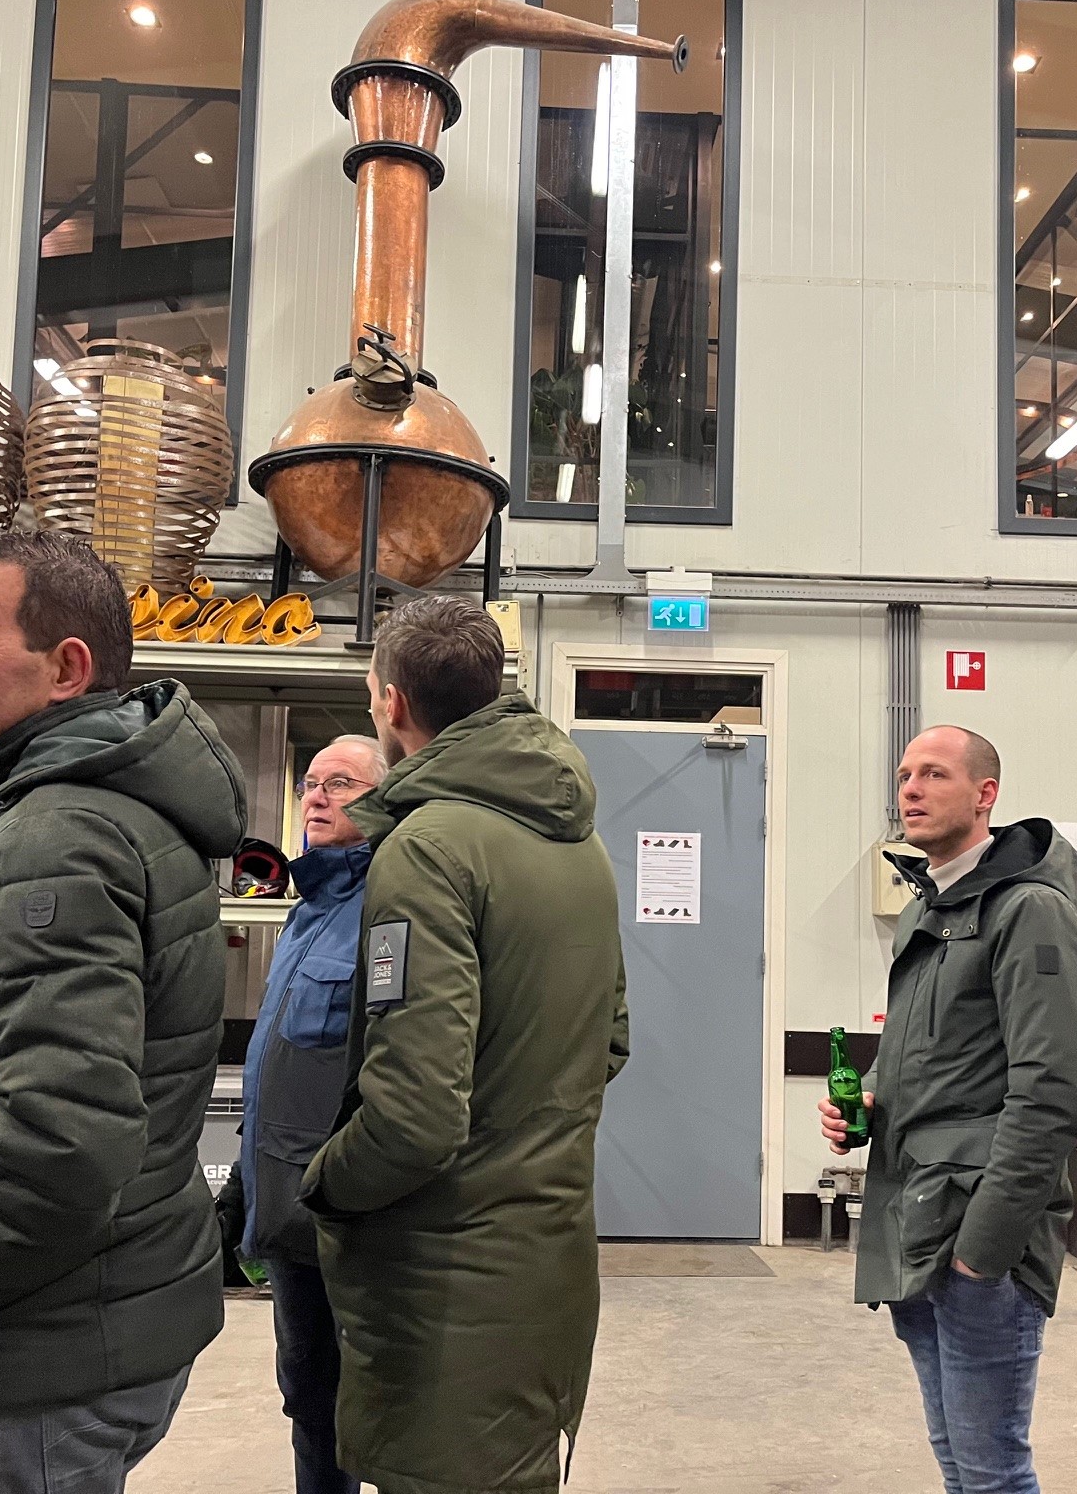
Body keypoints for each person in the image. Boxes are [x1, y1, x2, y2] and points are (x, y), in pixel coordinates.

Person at [0, 530, 247, 1494]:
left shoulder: (56, 839)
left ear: (67, 669)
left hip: (31, 1355)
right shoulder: (112, 813)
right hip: (95, 1316)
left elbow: (63, 1142)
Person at [300, 596, 628, 1494]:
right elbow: (608, 1042)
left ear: (392, 703)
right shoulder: (581, 844)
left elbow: (415, 1118)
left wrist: (323, 1184)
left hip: (446, 1287)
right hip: (549, 1258)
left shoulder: (427, 848)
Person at [821, 725, 1077, 1494]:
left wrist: (984, 1251)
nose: (911, 788)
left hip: (979, 1239)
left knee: (991, 1468)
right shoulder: (927, 911)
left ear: (985, 795)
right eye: (905, 775)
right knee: (957, 1457)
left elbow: (1051, 1096)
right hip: (914, 1218)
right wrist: (870, 1095)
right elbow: (926, 1051)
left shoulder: (1029, 911)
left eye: (935, 773)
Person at [241, 734, 388, 1494]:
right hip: (288, 1215)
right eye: (310, 783)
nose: (317, 797)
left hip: (347, 1221)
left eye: (341, 783)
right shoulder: (311, 909)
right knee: (308, 1397)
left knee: (363, 1410)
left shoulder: (387, 909)